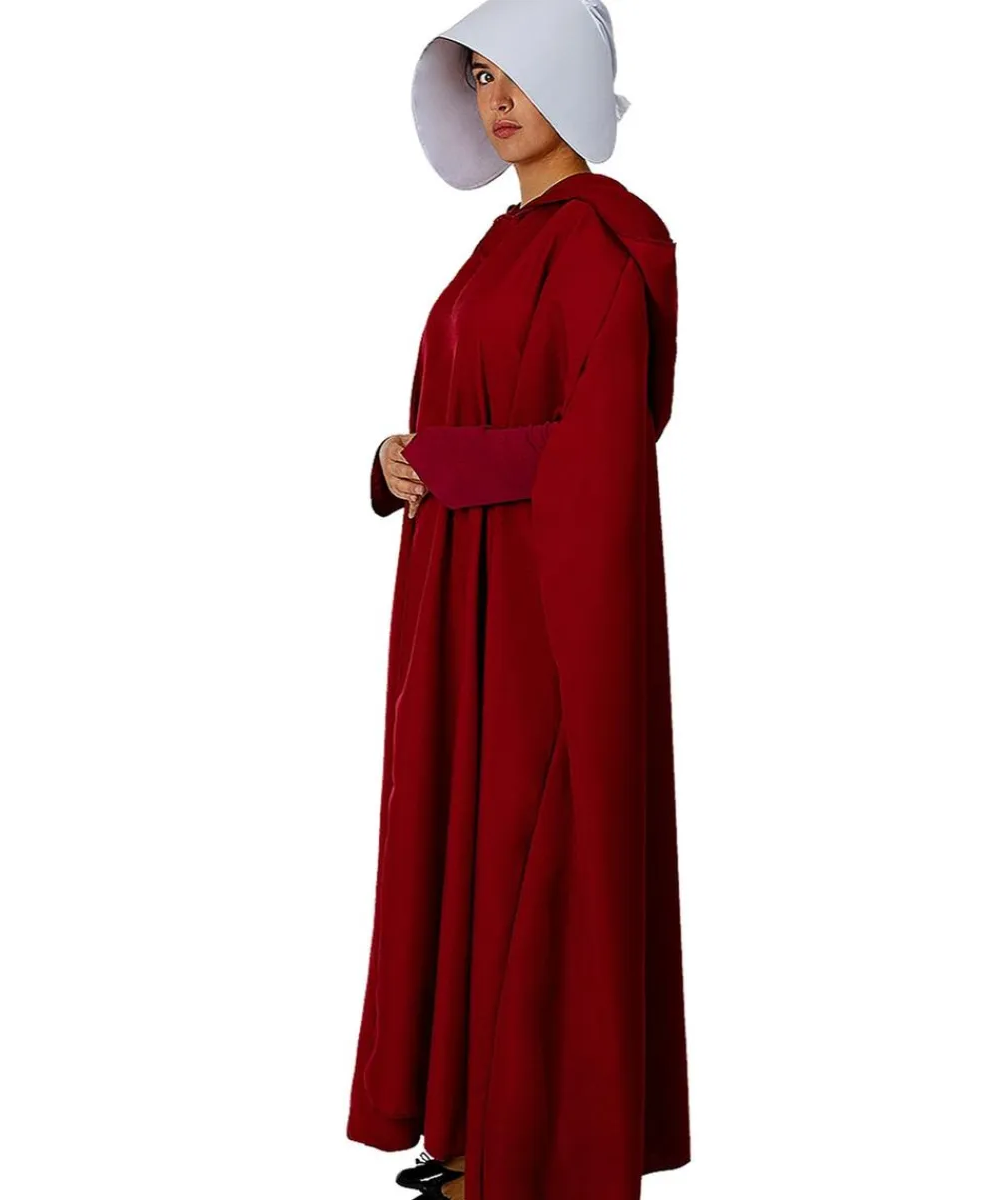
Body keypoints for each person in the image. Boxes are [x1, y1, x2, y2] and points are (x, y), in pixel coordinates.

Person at [346, 2, 690, 1197]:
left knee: (528, 849)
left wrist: (450, 460)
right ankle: (469, 1125)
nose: (494, 101)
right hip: (461, 601)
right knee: (462, 835)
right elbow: (455, 408)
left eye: (516, 75)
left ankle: (526, 1145)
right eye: (481, 76)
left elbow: (604, 449)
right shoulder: (498, 246)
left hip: (548, 611)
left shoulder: (611, 245)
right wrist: (395, 462)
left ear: (571, 80)